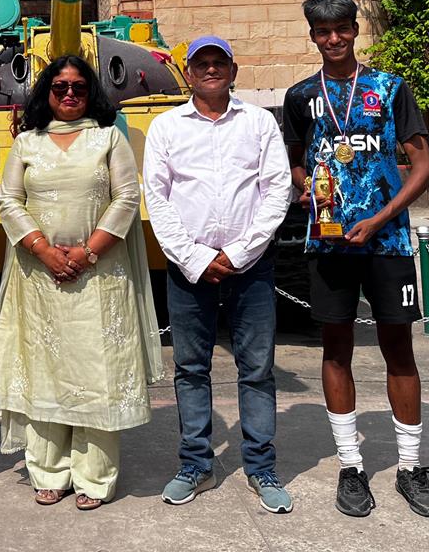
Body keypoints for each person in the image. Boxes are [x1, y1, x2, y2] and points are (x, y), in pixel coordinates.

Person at [0, 55, 163, 511]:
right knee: (44, 369)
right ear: (47, 93)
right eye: (60, 87)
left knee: (98, 372)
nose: (70, 94)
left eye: (79, 87)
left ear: (91, 91)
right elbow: (9, 201)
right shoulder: (27, 143)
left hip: (99, 275)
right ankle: (48, 471)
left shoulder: (108, 138)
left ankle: (94, 476)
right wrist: (43, 250)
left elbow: (126, 198)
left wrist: (86, 252)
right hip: (39, 279)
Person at [283, 0, 429, 518]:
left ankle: (410, 467)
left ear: (355, 29)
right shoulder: (301, 95)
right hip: (327, 241)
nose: (333, 39)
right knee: (335, 348)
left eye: (342, 29)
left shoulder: (390, 88)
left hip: (387, 241)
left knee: (399, 348)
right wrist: (306, 188)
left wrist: (380, 217)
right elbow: (297, 162)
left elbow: (422, 166)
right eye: (323, 31)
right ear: (312, 36)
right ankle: (351, 466)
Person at [143, 36, 293, 513]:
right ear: (188, 72)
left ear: (233, 70)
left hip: (251, 267)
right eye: (201, 63)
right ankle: (196, 464)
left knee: (257, 369)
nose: (210, 69)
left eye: (219, 62)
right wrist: (195, 258)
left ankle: (261, 467)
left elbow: (277, 190)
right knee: (191, 369)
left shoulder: (259, 123)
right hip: (190, 268)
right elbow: (157, 198)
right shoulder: (166, 127)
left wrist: (240, 253)